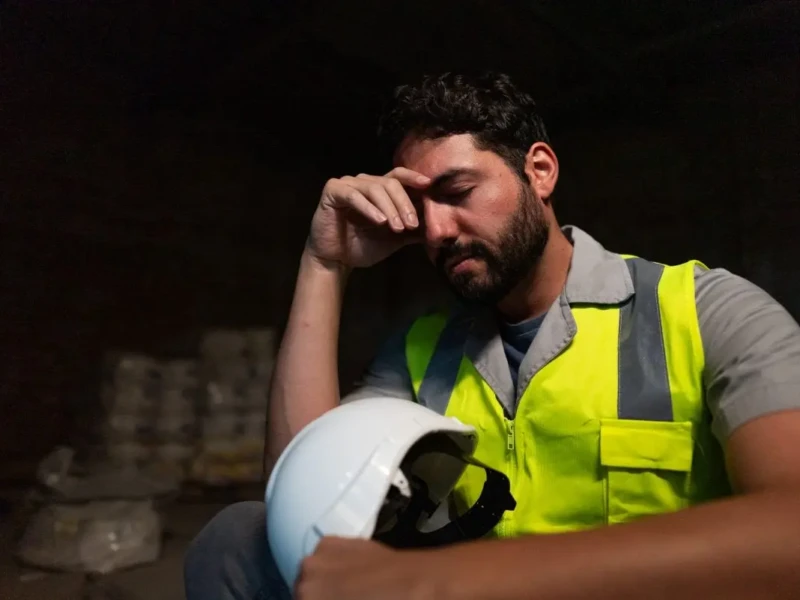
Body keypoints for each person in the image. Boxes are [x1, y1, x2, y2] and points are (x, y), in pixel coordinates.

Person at [184, 72, 800, 600]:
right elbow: (301, 498)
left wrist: (450, 581)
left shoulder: (704, 312)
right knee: (240, 539)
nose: (437, 231)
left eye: (456, 194)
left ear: (539, 171)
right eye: (421, 210)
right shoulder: (420, 351)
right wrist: (324, 264)